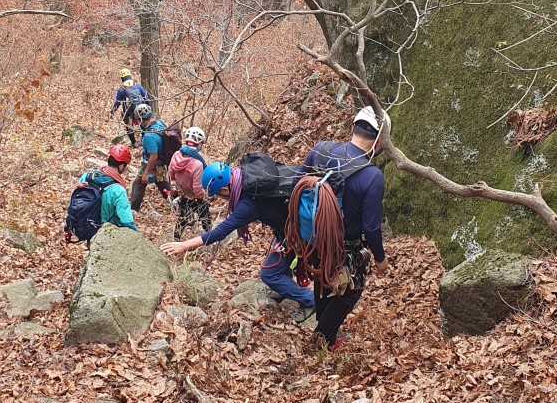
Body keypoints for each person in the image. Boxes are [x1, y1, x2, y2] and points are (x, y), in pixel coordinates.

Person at [161, 161, 315, 311]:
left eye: (219, 195)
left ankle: (311, 301)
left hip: (295, 230)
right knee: (276, 262)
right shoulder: (248, 172)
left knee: (269, 275)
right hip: (289, 225)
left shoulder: (248, 203)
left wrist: (184, 245)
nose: (221, 199)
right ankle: (285, 288)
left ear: (225, 190)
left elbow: (221, 231)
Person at [300, 104, 388, 351]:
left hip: (313, 237)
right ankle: (320, 339)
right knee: (349, 291)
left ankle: (327, 335)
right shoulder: (372, 176)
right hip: (344, 246)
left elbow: (298, 180)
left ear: (353, 128)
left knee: (322, 281)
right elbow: (371, 228)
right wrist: (380, 260)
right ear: (379, 140)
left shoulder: (321, 150)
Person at [65, 143, 137, 241]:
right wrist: (137, 237)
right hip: (104, 233)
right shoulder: (118, 190)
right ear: (121, 166)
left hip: (84, 224)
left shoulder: (87, 176)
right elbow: (126, 220)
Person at [168, 126, 212, 240]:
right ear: (199, 144)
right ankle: (209, 237)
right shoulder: (197, 164)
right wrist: (205, 196)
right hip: (195, 196)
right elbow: (197, 187)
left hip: (182, 192)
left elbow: (171, 173)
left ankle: (176, 239)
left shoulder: (177, 155)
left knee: (183, 218)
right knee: (205, 217)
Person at [131, 103, 174, 209]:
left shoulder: (149, 136)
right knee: (162, 183)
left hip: (153, 164)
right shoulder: (160, 123)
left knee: (138, 184)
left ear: (141, 120)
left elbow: (153, 156)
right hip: (162, 163)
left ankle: (133, 209)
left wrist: (146, 173)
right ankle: (175, 203)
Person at [110, 69, 150, 147]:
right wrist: (148, 107)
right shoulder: (137, 85)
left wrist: (112, 112)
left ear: (122, 78)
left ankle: (134, 143)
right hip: (140, 108)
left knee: (129, 126)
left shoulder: (121, 89)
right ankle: (143, 140)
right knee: (142, 124)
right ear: (130, 76)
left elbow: (117, 103)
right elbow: (146, 97)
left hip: (128, 111)